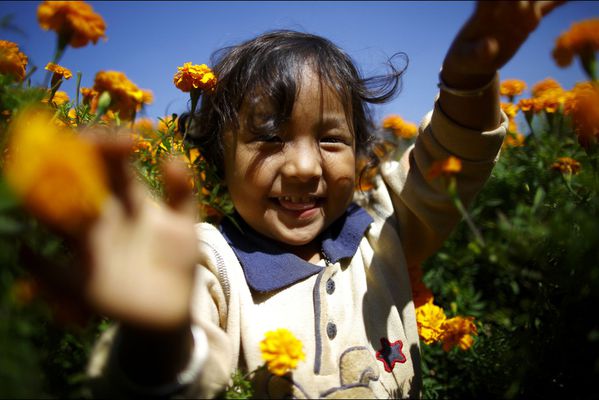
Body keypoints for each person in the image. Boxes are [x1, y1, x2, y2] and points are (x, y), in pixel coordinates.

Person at [48, 1, 561, 398]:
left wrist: (470, 81)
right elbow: (183, 368)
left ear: (361, 154)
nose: (303, 166)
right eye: (269, 138)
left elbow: (450, 164)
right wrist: (157, 339)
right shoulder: (209, 262)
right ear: (218, 157)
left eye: (331, 139)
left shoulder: (384, 236)